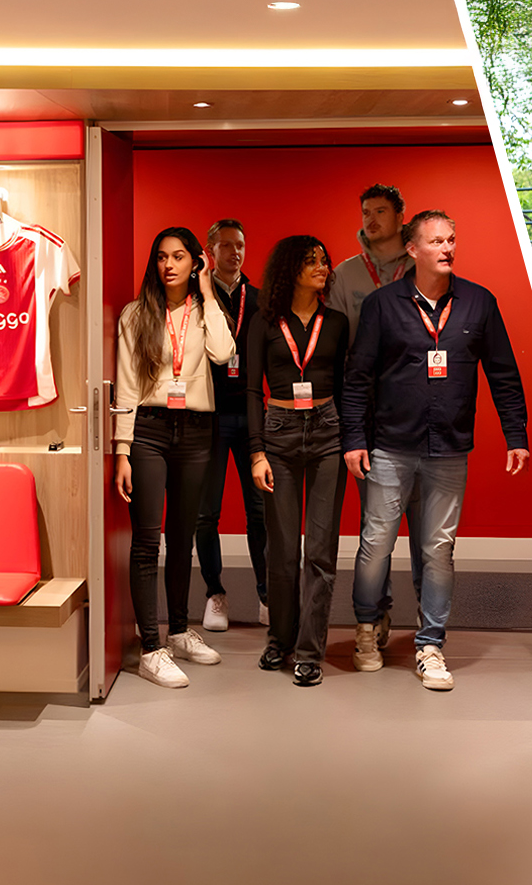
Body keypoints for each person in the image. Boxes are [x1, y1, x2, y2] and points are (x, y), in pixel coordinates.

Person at [342, 209, 529, 691]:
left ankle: (430, 645)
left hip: (448, 449)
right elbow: (358, 378)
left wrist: (516, 435)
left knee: (439, 550)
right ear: (413, 250)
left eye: (451, 240)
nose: (447, 249)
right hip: (389, 446)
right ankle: (368, 627)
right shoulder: (383, 306)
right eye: (437, 241)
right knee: (376, 545)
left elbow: (503, 373)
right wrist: (354, 440)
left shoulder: (478, 303)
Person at [114, 227, 235, 689]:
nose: (169, 265)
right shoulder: (136, 314)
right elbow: (127, 384)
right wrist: (122, 450)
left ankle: (180, 631)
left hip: (197, 430)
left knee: (183, 536)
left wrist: (207, 291)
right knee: (148, 540)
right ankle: (151, 648)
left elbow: (224, 353)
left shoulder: (205, 310)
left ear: (195, 262)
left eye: (180, 256)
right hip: (149, 430)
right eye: (162, 257)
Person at [246, 236, 349, 687]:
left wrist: (352, 440)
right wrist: (257, 452)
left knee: (320, 552)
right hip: (279, 433)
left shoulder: (337, 322)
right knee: (283, 550)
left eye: (324, 260)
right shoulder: (264, 322)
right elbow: (252, 390)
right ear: (291, 269)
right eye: (311, 261)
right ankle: (279, 640)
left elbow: (345, 385)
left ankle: (309, 651)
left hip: (328, 432)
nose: (322, 267)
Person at [328, 183, 419, 652]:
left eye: (380, 211)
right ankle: (376, 613)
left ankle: (427, 627)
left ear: (401, 217)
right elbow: (334, 346)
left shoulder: (421, 269)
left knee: (426, 528)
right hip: (366, 413)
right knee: (376, 524)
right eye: (366, 212)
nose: (371, 219)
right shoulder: (345, 275)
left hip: (418, 410)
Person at [194, 218, 267, 631]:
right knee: (207, 513)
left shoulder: (258, 300)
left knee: (260, 511)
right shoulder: (197, 298)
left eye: (239, 245)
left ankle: (267, 596)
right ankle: (214, 594)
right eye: (225, 246)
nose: (234, 252)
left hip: (252, 414)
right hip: (209, 415)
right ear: (210, 251)